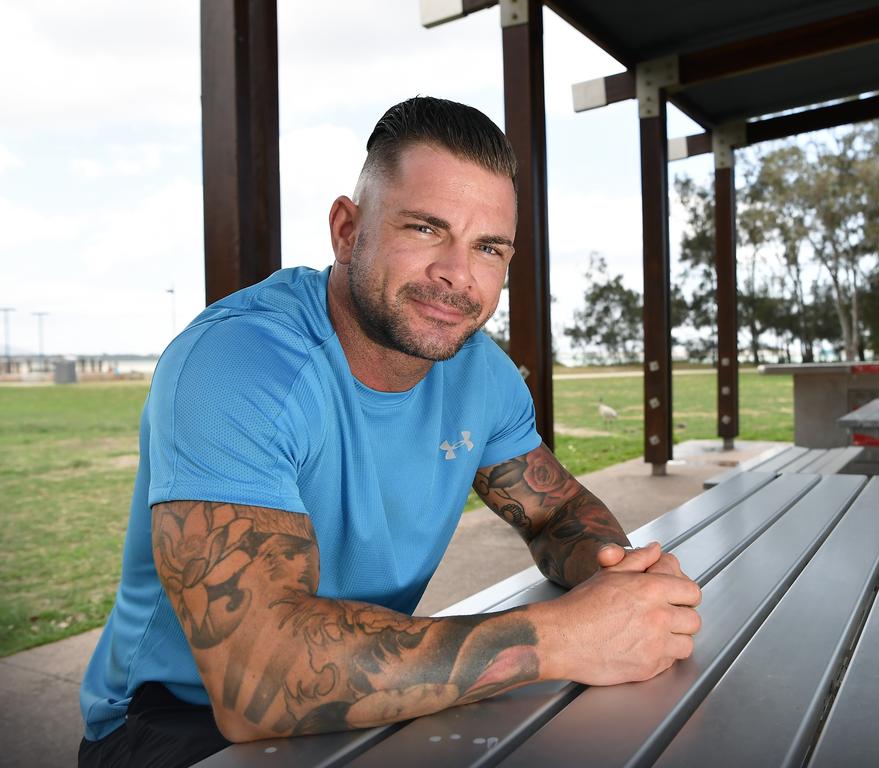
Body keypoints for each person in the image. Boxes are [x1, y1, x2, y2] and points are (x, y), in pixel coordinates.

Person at [78, 96, 702, 767]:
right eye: (427, 230)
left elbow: (557, 515)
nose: (457, 275)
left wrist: (624, 587)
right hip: (171, 724)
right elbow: (254, 682)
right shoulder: (236, 363)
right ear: (348, 230)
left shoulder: (479, 371)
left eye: (488, 247)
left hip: (361, 701)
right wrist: (561, 638)